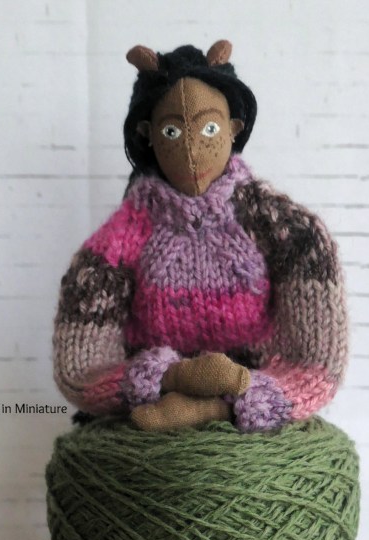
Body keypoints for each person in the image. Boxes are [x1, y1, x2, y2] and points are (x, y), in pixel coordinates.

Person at [52, 40, 349, 432]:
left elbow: (317, 365)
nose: (191, 148)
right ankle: (187, 390)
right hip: (154, 397)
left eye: (209, 128)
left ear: (233, 128)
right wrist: (168, 377)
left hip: (251, 390)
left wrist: (258, 394)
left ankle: (216, 409)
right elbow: (81, 370)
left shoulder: (287, 232)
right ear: (148, 136)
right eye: (172, 131)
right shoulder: (117, 246)